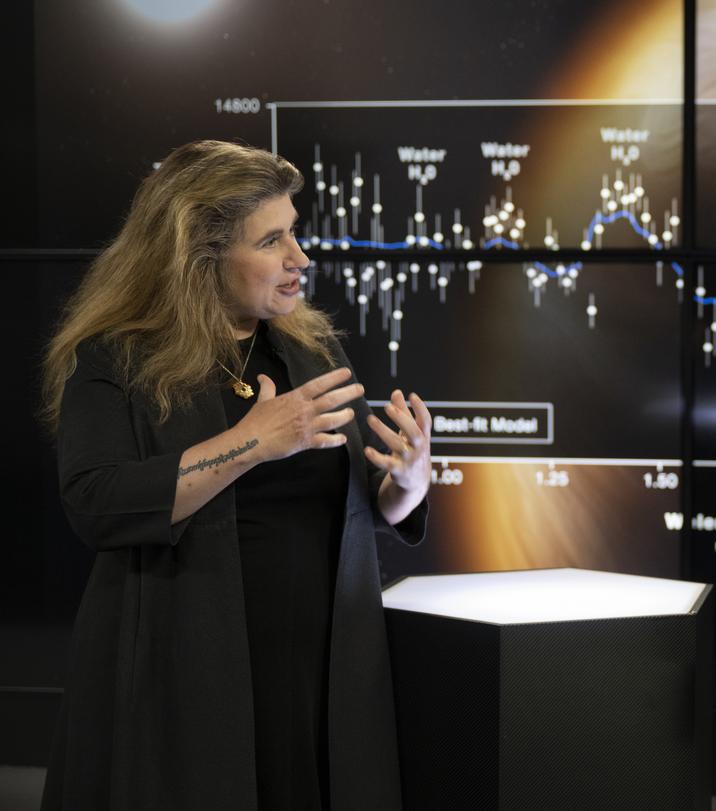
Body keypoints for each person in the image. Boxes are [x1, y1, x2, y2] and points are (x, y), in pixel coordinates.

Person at [39, 140, 431, 811]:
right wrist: (250, 443)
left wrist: (410, 481)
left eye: (294, 233)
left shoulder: (312, 350)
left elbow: (369, 505)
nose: (299, 258)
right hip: (187, 674)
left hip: (319, 672)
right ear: (200, 256)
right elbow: (96, 503)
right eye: (272, 241)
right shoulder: (115, 359)